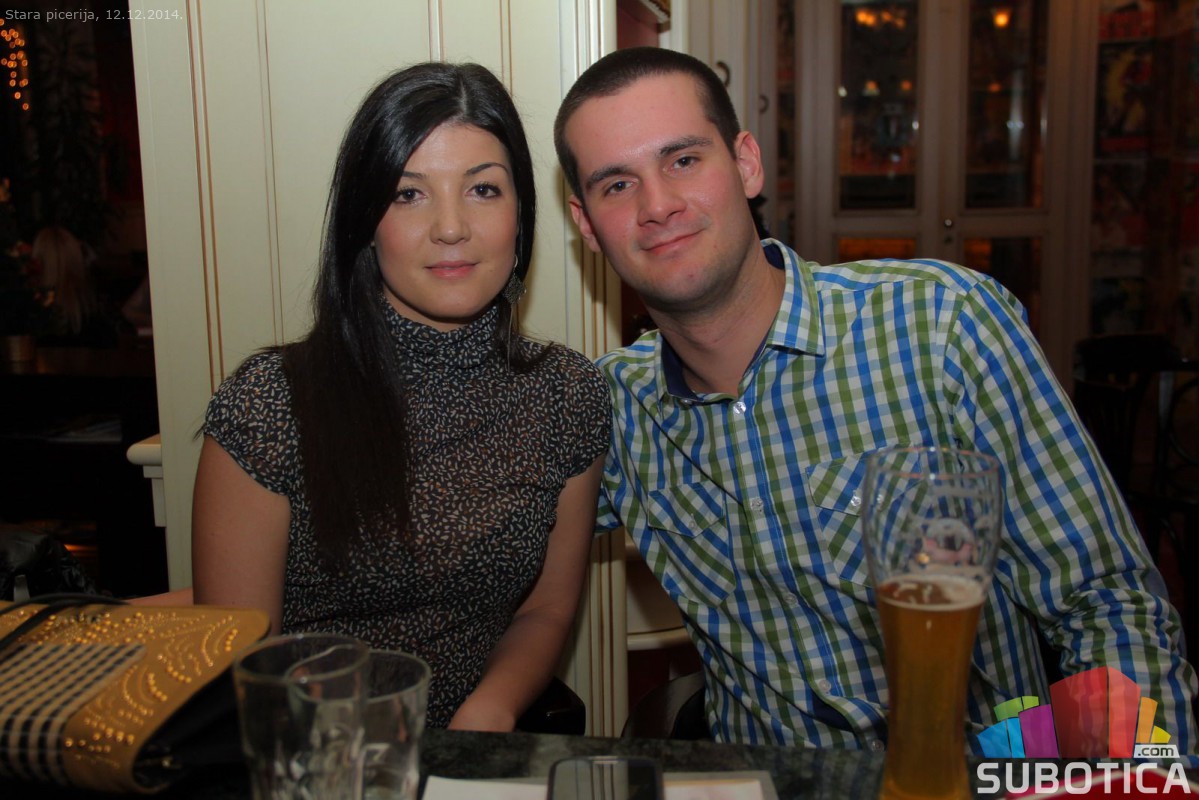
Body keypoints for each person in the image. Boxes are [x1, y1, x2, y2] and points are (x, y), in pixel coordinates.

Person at [553, 46, 1198, 753]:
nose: (657, 206)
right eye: (617, 185)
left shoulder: (943, 325)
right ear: (586, 225)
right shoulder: (609, 409)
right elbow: (484, 544)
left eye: (683, 160)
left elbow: (1106, 603)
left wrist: (1128, 777)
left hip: (974, 775)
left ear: (745, 164)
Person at [192, 62, 610, 732]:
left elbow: (545, 610)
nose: (451, 227)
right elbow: (243, 659)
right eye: (408, 194)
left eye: (482, 189)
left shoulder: (567, 396)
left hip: (472, 750)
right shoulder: (271, 404)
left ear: (521, 215)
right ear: (366, 221)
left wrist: (487, 714)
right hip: (312, 750)